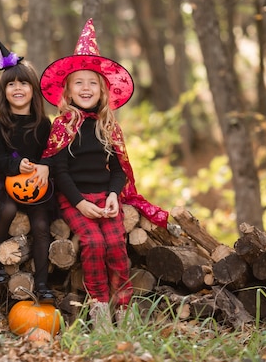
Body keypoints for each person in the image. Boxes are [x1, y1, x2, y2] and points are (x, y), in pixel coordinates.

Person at [40, 19, 169, 327]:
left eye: (92, 83)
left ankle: (123, 307)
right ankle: (99, 307)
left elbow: (118, 169)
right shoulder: (63, 126)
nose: (86, 88)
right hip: (75, 199)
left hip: (104, 197)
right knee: (93, 243)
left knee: (116, 246)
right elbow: (58, 169)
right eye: (79, 83)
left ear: (102, 90)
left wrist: (113, 195)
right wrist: (79, 202)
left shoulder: (108, 126)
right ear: (68, 91)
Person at [0, 40, 55, 302]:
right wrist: (16, 165)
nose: (17, 88)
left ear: (33, 89)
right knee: (6, 210)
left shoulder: (42, 124)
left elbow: (51, 154)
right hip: (7, 185)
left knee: (40, 224)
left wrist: (43, 166)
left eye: (23, 83)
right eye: (11, 84)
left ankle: (42, 282)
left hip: (39, 187)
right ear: (3, 92)